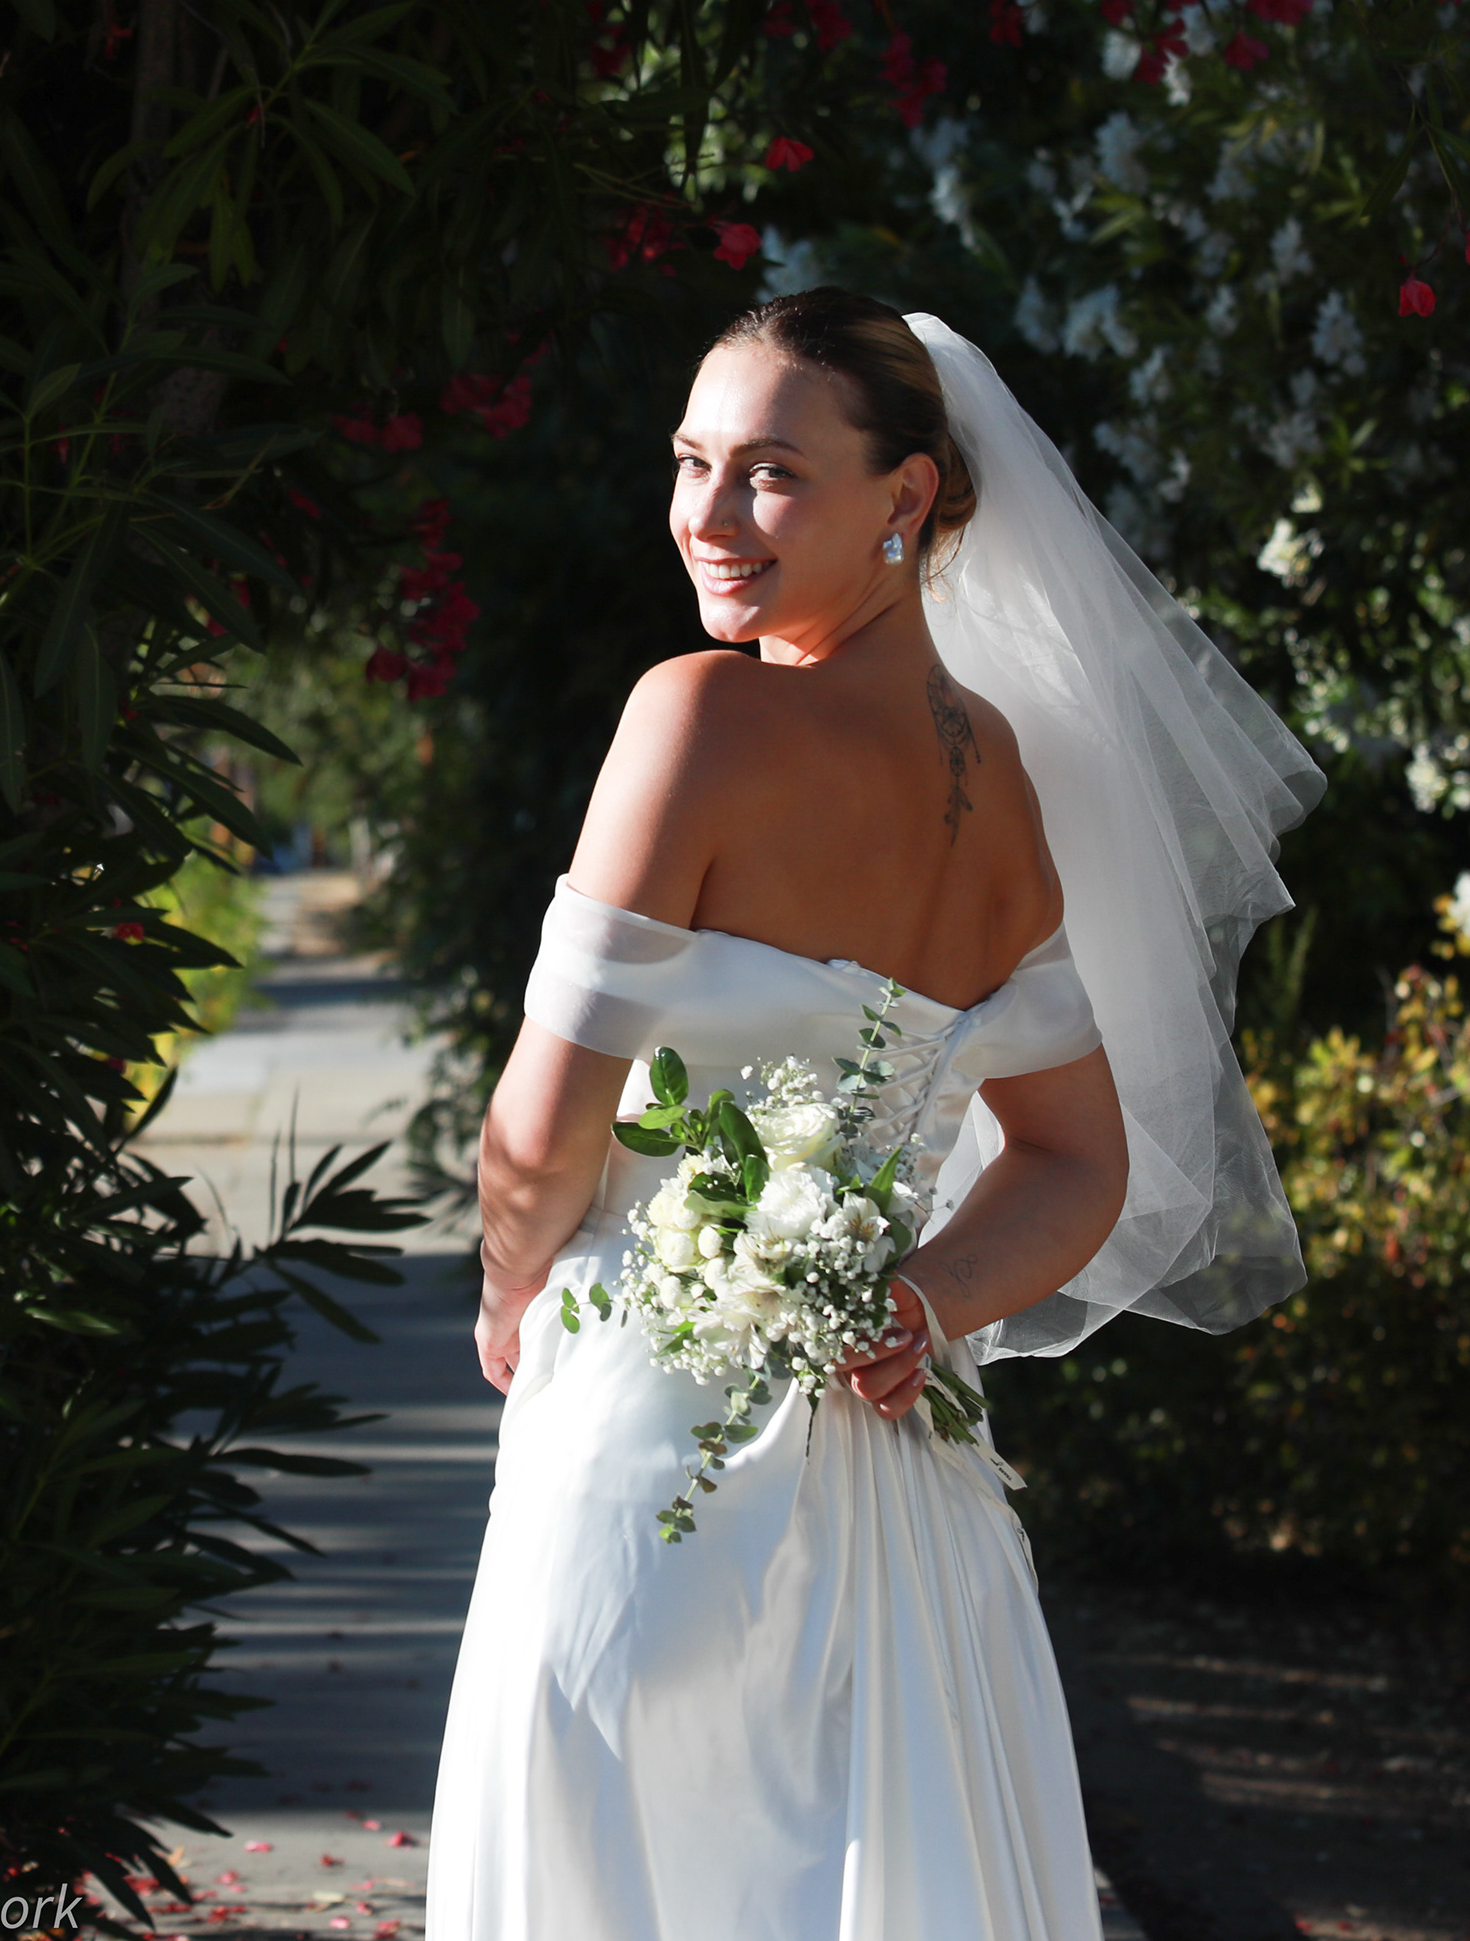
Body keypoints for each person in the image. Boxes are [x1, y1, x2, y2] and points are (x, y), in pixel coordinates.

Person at [429, 292, 1323, 1940]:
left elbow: (542, 1131)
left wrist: (508, 1288)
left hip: (656, 1444)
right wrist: (917, 1304)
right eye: (694, 462)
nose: (706, 514)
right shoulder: (1011, 788)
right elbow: (1079, 1166)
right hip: (913, 1492)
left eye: (772, 474)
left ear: (906, 497)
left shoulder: (694, 716)